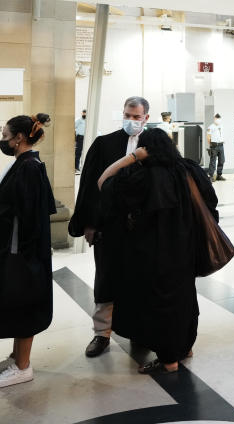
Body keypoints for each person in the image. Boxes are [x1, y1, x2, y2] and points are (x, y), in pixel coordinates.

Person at [97, 128, 213, 374]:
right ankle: (186, 348)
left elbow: (104, 182)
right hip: (186, 248)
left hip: (153, 252)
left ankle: (168, 359)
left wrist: (132, 157)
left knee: (159, 304)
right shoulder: (190, 169)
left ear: (145, 148)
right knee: (185, 299)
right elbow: (210, 203)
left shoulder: (142, 175)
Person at [0, 113, 55, 389]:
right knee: (15, 302)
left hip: (23, 253)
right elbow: (18, 201)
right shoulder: (23, 164)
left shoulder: (29, 167)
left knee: (23, 304)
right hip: (16, 249)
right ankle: (16, 357)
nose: (3, 140)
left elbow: (29, 213)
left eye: (6, 135)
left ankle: (23, 367)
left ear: (19, 138)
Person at [70, 96, 149, 359]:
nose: (131, 121)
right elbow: (89, 186)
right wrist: (89, 223)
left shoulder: (154, 145)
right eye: (128, 115)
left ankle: (140, 330)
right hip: (108, 224)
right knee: (106, 277)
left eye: (137, 117)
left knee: (140, 279)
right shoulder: (104, 144)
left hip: (142, 227)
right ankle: (102, 333)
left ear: (146, 118)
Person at [206, 113, 226, 181]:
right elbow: (208, 137)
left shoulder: (221, 126)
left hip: (221, 145)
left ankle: (219, 175)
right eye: (217, 118)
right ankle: (211, 176)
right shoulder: (210, 127)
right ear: (214, 119)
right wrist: (211, 145)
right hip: (214, 146)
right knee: (213, 161)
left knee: (221, 160)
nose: (218, 120)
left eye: (219, 118)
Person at [75, 109, 86, 174]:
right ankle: (76, 167)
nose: (84, 114)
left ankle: (82, 167)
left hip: (86, 137)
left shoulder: (88, 121)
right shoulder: (79, 120)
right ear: (82, 113)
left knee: (84, 152)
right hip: (80, 137)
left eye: (85, 113)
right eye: (83, 113)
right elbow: (74, 127)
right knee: (78, 152)